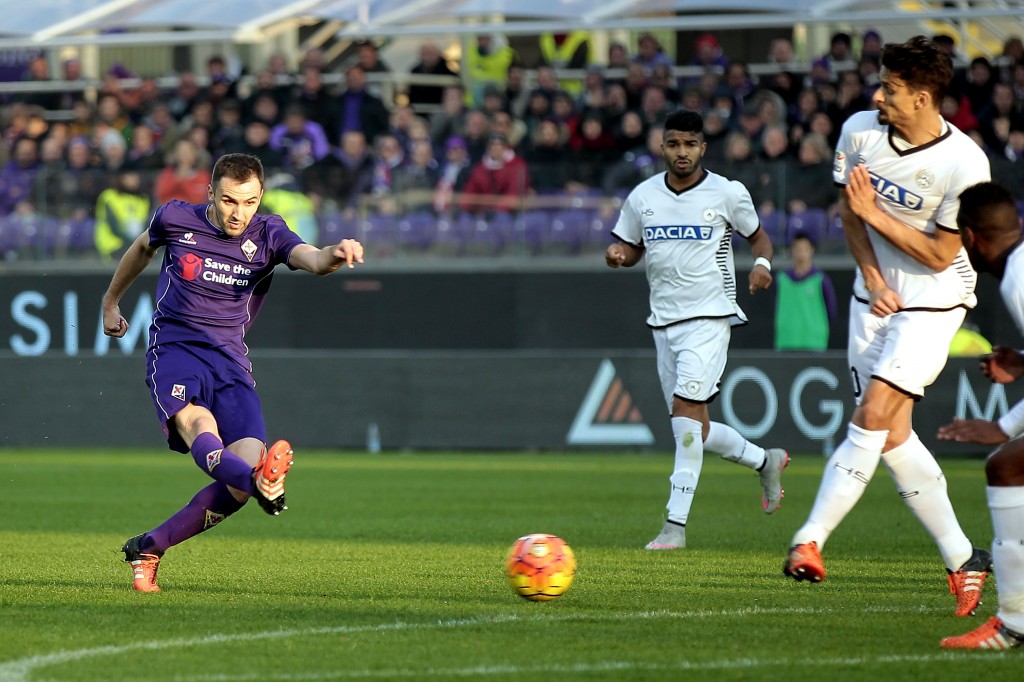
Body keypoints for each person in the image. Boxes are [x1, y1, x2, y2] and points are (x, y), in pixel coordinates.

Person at [782, 36, 994, 618]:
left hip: (934, 300)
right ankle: (963, 558)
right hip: (872, 298)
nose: (878, 97)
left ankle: (810, 539)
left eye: (892, 90)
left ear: (923, 97)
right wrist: (873, 278)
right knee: (893, 435)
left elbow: (939, 252)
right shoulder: (859, 132)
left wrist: (878, 214)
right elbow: (850, 213)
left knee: (872, 415)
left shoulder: (965, 163)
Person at [101, 153, 364, 592]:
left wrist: (335, 253)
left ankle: (150, 546)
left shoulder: (269, 232)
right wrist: (111, 301)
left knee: (239, 479)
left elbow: (313, 260)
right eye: (228, 201)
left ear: (260, 197)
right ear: (210, 193)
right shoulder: (176, 218)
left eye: (249, 202)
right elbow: (143, 247)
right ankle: (263, 484)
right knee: (198, 423)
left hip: (231, 363)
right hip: (175, 350)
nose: (239, 213)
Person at [605, 109, 789, 551]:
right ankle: (766, 461)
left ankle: (674, 527)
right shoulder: (643, 196)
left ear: (703, 147)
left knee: (686, 417)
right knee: (695, 430)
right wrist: (618, 255)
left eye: (690, 144)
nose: (682, 152)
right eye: (674, 144)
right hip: (662, 322)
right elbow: (632, 247)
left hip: (709, 318)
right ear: (662, 147)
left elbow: (759, 237)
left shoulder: (727, 192)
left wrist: (762, 265)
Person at [937, 181, 1024, 648]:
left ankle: (1013, 623)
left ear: (970, 239)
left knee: (1006, 465)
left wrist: (1005, 426)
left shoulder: (1017, 278)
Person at [774, 231, 837, 351]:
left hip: (814, 343)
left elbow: (831, 311)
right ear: (792, 250)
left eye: (805, 249)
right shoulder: (781, 279)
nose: (801, 253)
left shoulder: (821, 280)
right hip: (786, 341)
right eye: (797, 249)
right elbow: (775, 306)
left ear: (811, 250)